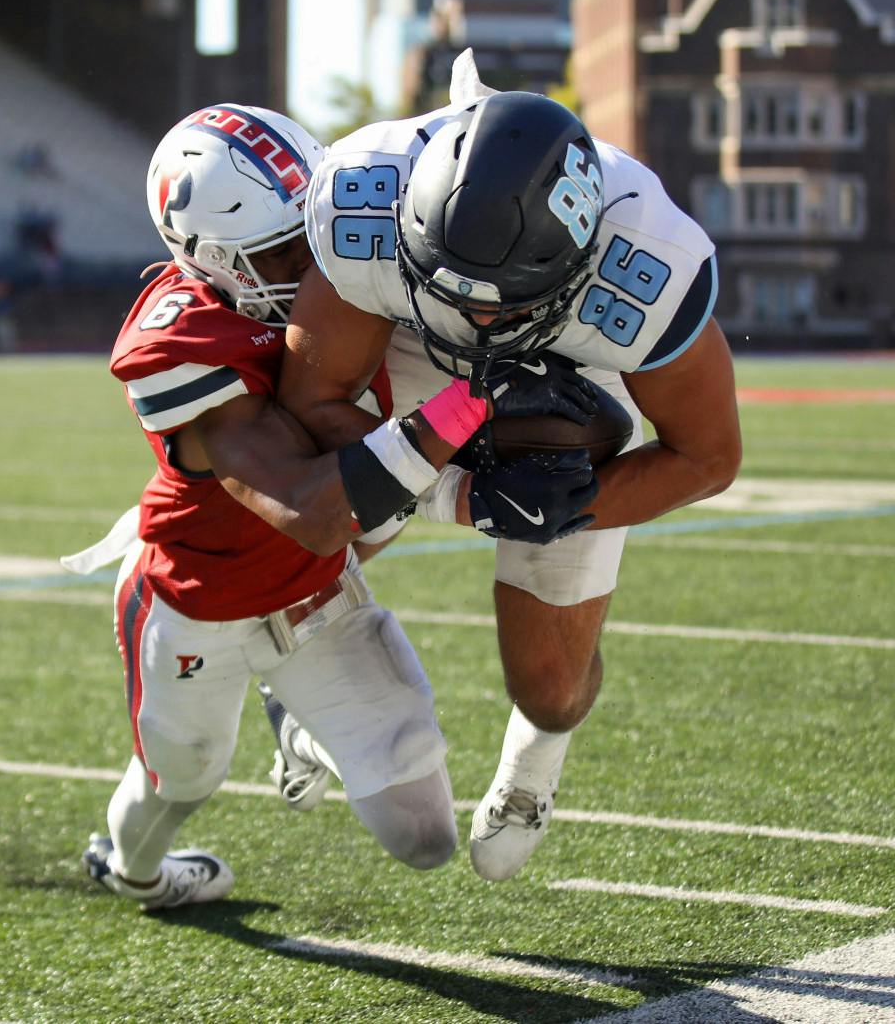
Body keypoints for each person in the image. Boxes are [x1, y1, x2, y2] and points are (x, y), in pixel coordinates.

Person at [72, 103, 584, 910]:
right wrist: (472, 403)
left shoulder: (347, 264)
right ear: (212, 259)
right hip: (199, 598)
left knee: (425, 838)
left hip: (316, 593)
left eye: (308, 230)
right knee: (182, 776)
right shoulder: (180, 345)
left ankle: (295, 706)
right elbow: (312, 505)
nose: (313, 261)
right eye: (282, 249)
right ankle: (134, 870)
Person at [278, 51, 742, 882]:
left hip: (574, 373)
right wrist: (459, 496)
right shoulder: (366, 204)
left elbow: (708, 457)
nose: (479, 315)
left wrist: (567, 502)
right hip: (412, 342)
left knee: (551, 682)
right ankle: (316, 690)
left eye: (504, 299)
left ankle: (535, 765)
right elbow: (314, 407)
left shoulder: (644, 269)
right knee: (309, 530)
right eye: (456, 287)